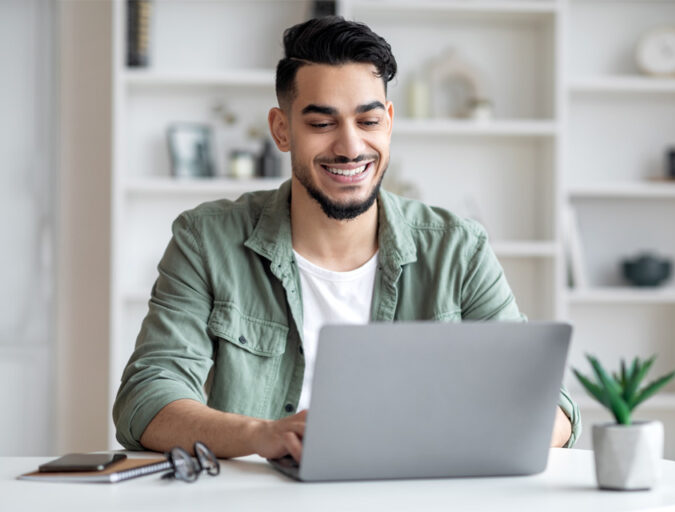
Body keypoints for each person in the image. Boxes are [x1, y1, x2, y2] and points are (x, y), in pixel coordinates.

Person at [113, 16, 580, 461]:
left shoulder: (458, 248)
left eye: (368, 121)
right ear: (281, 129)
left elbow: (551, 406)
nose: (351, 146)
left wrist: (461, 440)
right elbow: (147, 398)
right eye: (321, 123)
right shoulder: (207, 240)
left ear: (390, 122)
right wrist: (263, 435)